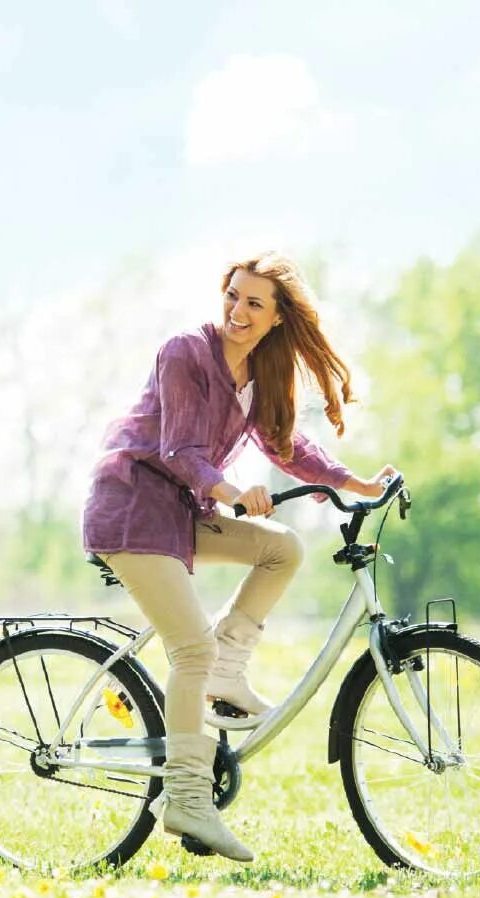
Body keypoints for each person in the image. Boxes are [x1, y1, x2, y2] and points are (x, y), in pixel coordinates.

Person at [82, 252, 396, 862]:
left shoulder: (257, 374)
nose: (238, 311)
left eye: (255, 302)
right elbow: (179, 450)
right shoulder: (184, 353)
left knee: (282, 548)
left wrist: (353, 482)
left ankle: (227, 671)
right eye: (233, 295)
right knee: (188, 649)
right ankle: (187, 800)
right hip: (132, 507)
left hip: (179, 513)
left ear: (278, 318)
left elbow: (285, 444)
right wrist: (230, 492)